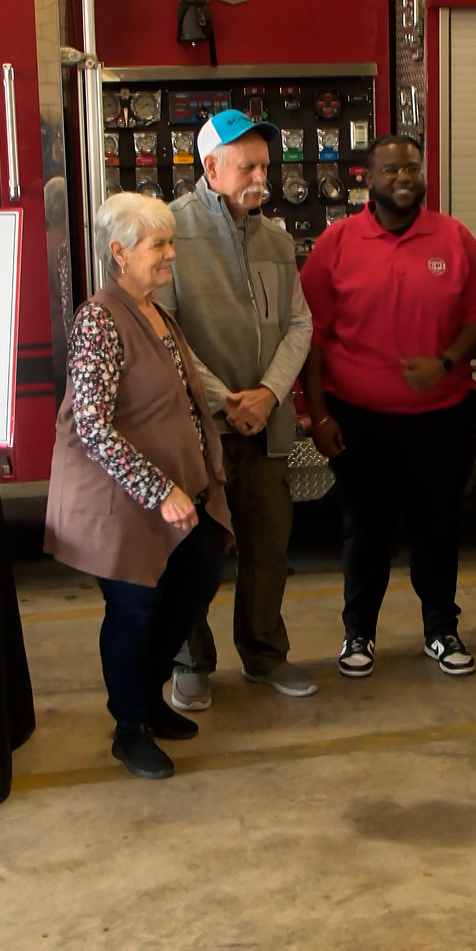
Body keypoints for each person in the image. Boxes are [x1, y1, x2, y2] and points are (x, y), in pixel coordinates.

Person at [46, 193, 233, 780]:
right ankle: (129, 728)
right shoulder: (100, 318)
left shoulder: (154, 309)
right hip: (126, 500)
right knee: (134, 609)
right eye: (159, 245)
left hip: (179, 492)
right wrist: (159, 490)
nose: (170, 255)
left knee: (194, 581)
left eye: (171, 242)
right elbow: (92, 425)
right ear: (119, 253)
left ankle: (149, 699)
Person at [301, 134, 476, 679]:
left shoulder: (454, 238)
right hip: (357, 421)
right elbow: (310, 338)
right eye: (390, 170)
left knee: (438, 527)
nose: (404, 177)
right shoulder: (337, 243)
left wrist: (447, 361)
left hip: (442, 418)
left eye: (412, 168)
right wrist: (318, 416)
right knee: (365, 529)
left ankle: (441, 629)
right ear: (369, 178)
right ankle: (358, 634)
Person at [157, 109, 318, 705]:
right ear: (211, 167)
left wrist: (271, 393)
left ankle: (264, 654)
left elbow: (299, 324)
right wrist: (227, 400)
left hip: (265, 426)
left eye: (264, 166)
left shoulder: (274, 239)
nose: (260, 177)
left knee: (268, 548)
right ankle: (190, 660)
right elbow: (165, 332)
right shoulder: (170, 231)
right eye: (248, 166)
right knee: (194, 553)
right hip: (200, 430)